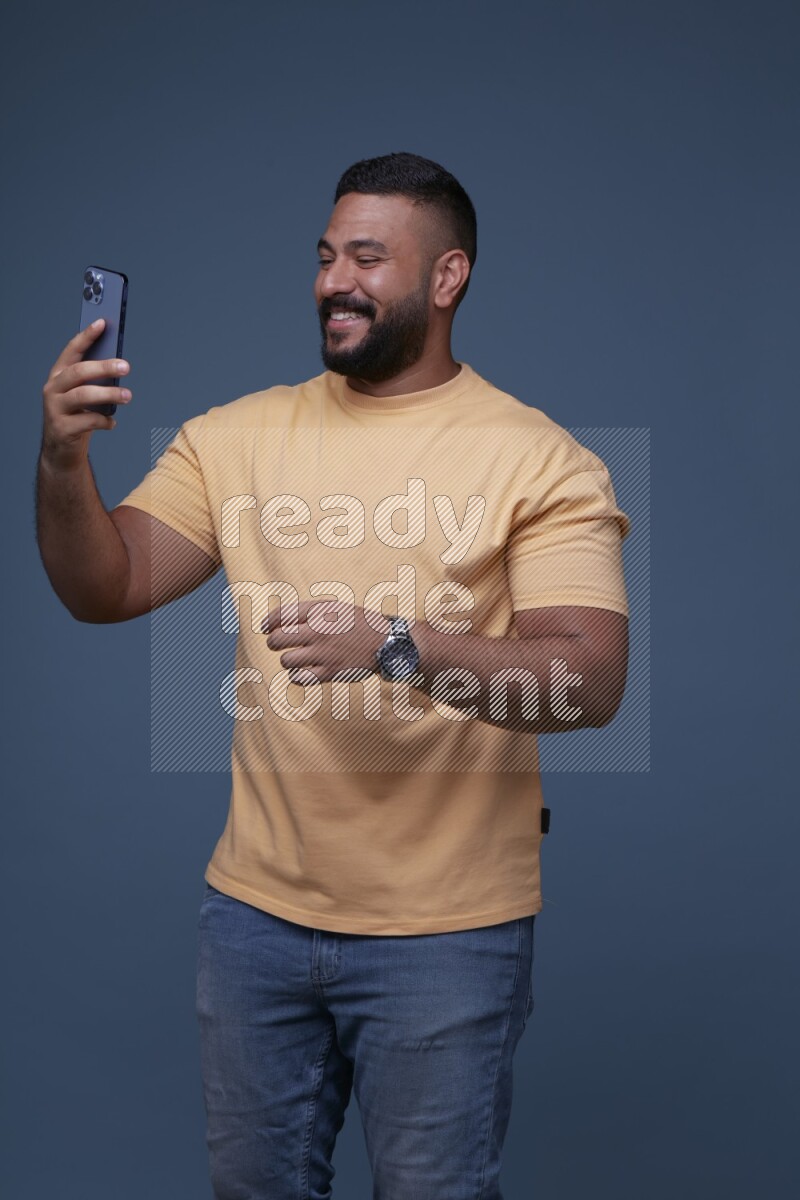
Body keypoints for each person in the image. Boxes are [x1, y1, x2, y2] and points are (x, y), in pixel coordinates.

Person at [37, 151, 630, 1199]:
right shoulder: (236, 436)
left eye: (366, 256)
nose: (331, 281)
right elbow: (108, 584)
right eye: (323, 256)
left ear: (446, 279)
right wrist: (61, 463)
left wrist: (392, 648)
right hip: (253, 922)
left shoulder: (539, 461)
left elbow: (584, 684)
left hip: (446, 935)